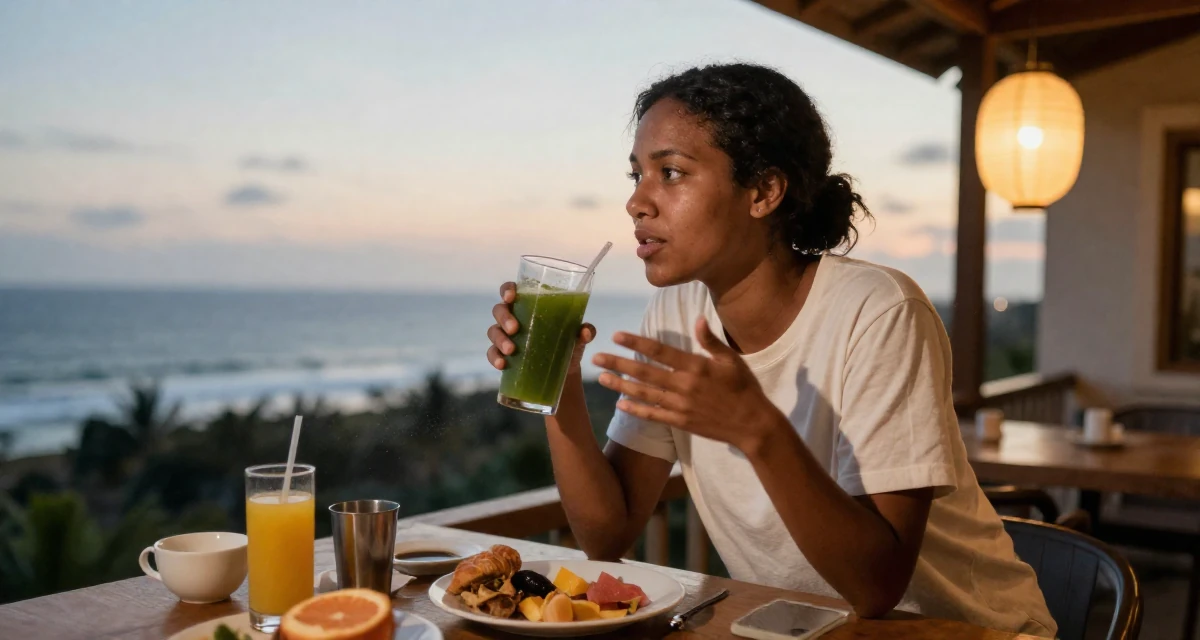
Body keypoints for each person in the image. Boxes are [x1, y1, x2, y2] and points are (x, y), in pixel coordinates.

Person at [485, 62, 1056, 637]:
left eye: (672, 173)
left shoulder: (879, 312)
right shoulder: (678, 315)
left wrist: (756, 429)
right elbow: (607, 534)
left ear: (763, 191)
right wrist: (555, 384)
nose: (638, 201)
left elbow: (878, 586)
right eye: (636, 174)